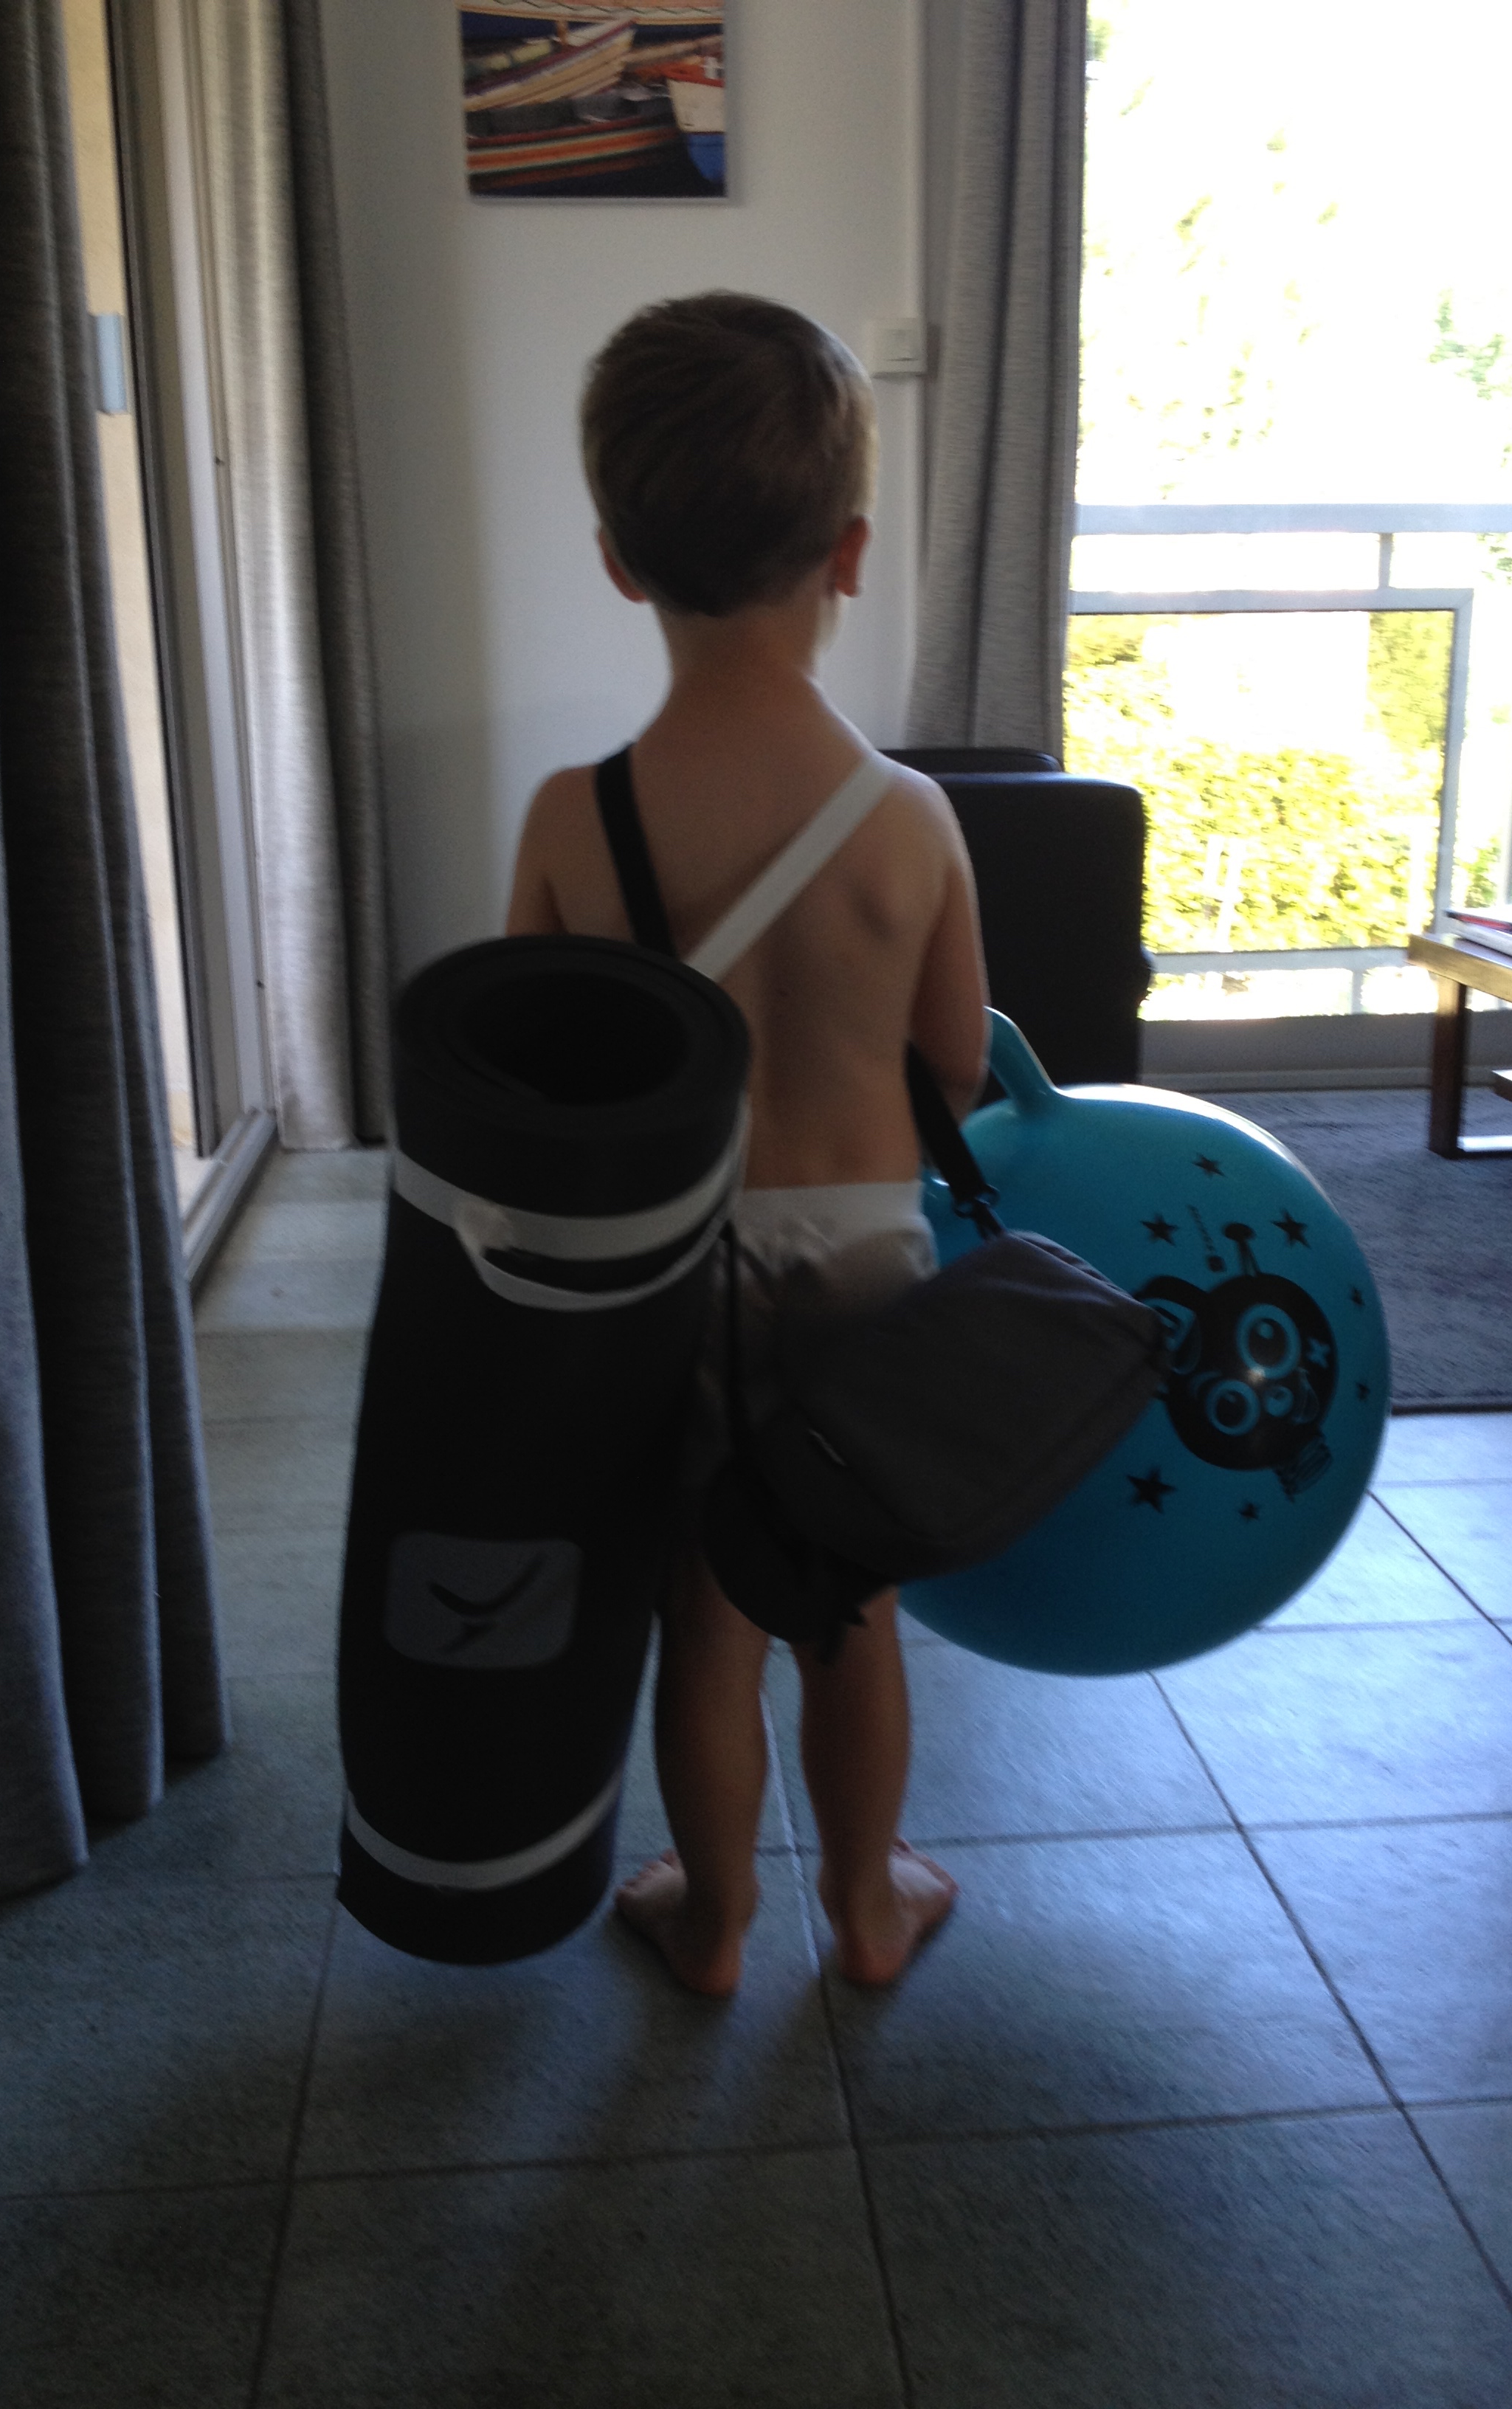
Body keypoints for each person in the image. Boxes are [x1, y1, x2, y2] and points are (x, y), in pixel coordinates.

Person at [505, 292, 988, 1996]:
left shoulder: (572, 819)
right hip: (861, 1257)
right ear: (849, 553)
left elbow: (534, 1079)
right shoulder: (912, 819)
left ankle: (710, 1924)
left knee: (704, 1611)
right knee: (849, 1606)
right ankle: (869, 1908)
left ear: (617, 562)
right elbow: (955, 1063)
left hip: (669, 1272)